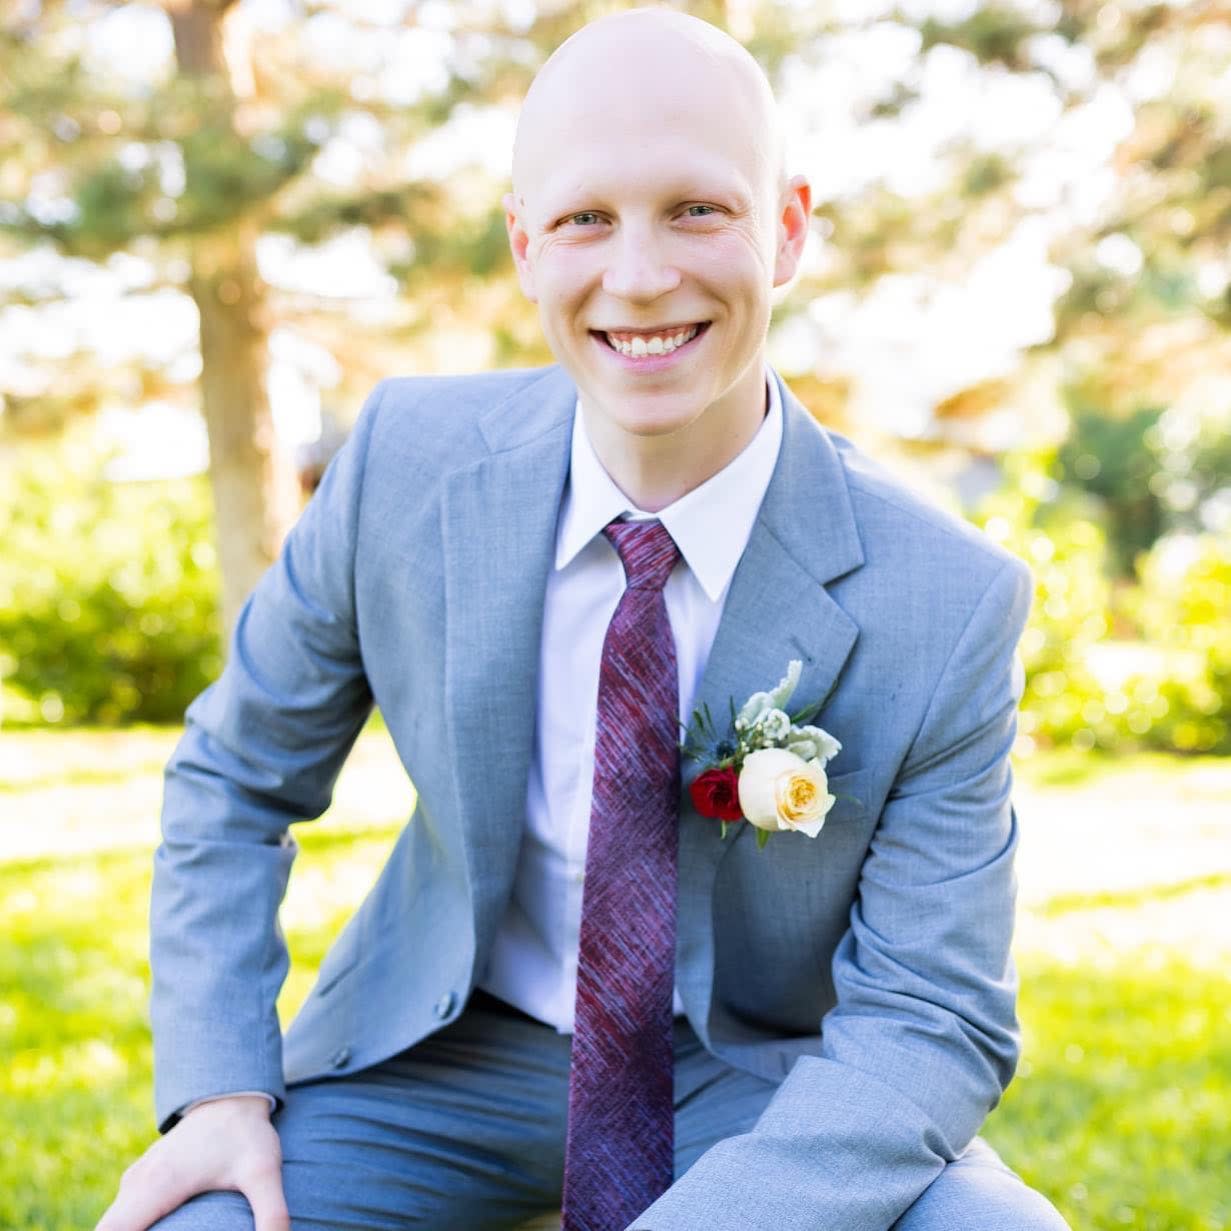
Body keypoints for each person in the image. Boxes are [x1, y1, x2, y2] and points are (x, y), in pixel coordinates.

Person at [97, 9, 1070, 1231]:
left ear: (786, 229)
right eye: (585, 219)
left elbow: (932, 1015)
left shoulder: (944, 598)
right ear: (523, 243)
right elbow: (234, 776)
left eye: (697, 210)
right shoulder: (402, 464)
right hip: (441, 1060)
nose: (641, 274)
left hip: (755, 1077)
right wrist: (218, 1091)